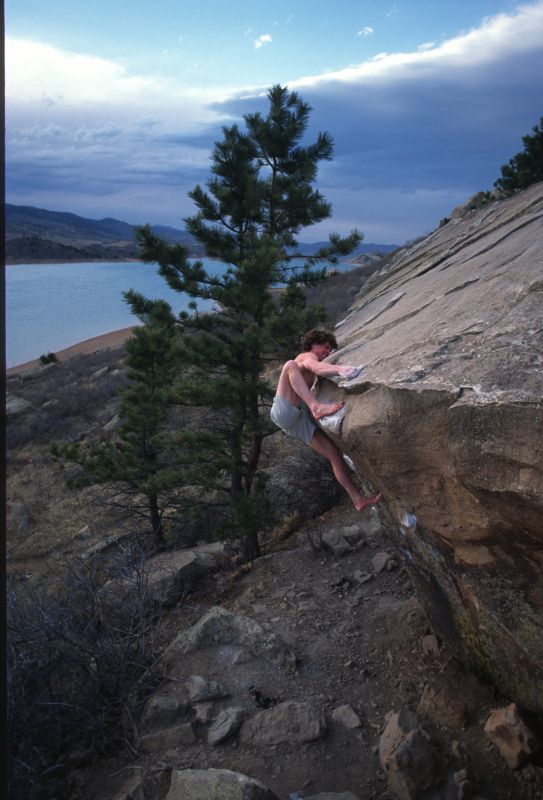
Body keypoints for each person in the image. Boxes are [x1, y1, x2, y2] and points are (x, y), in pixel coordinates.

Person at [270, 329, 381, 513]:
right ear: (314, 343)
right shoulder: (306, 356)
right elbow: (317, 368)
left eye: (330, 350)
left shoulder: (311, 360)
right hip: (283, 411)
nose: (327, 352)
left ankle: (357, 499)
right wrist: (342, 370)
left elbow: (319, 369)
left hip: (295, 418)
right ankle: (315, 406)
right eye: (325, 347)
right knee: (289, 365)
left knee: (334, 455)